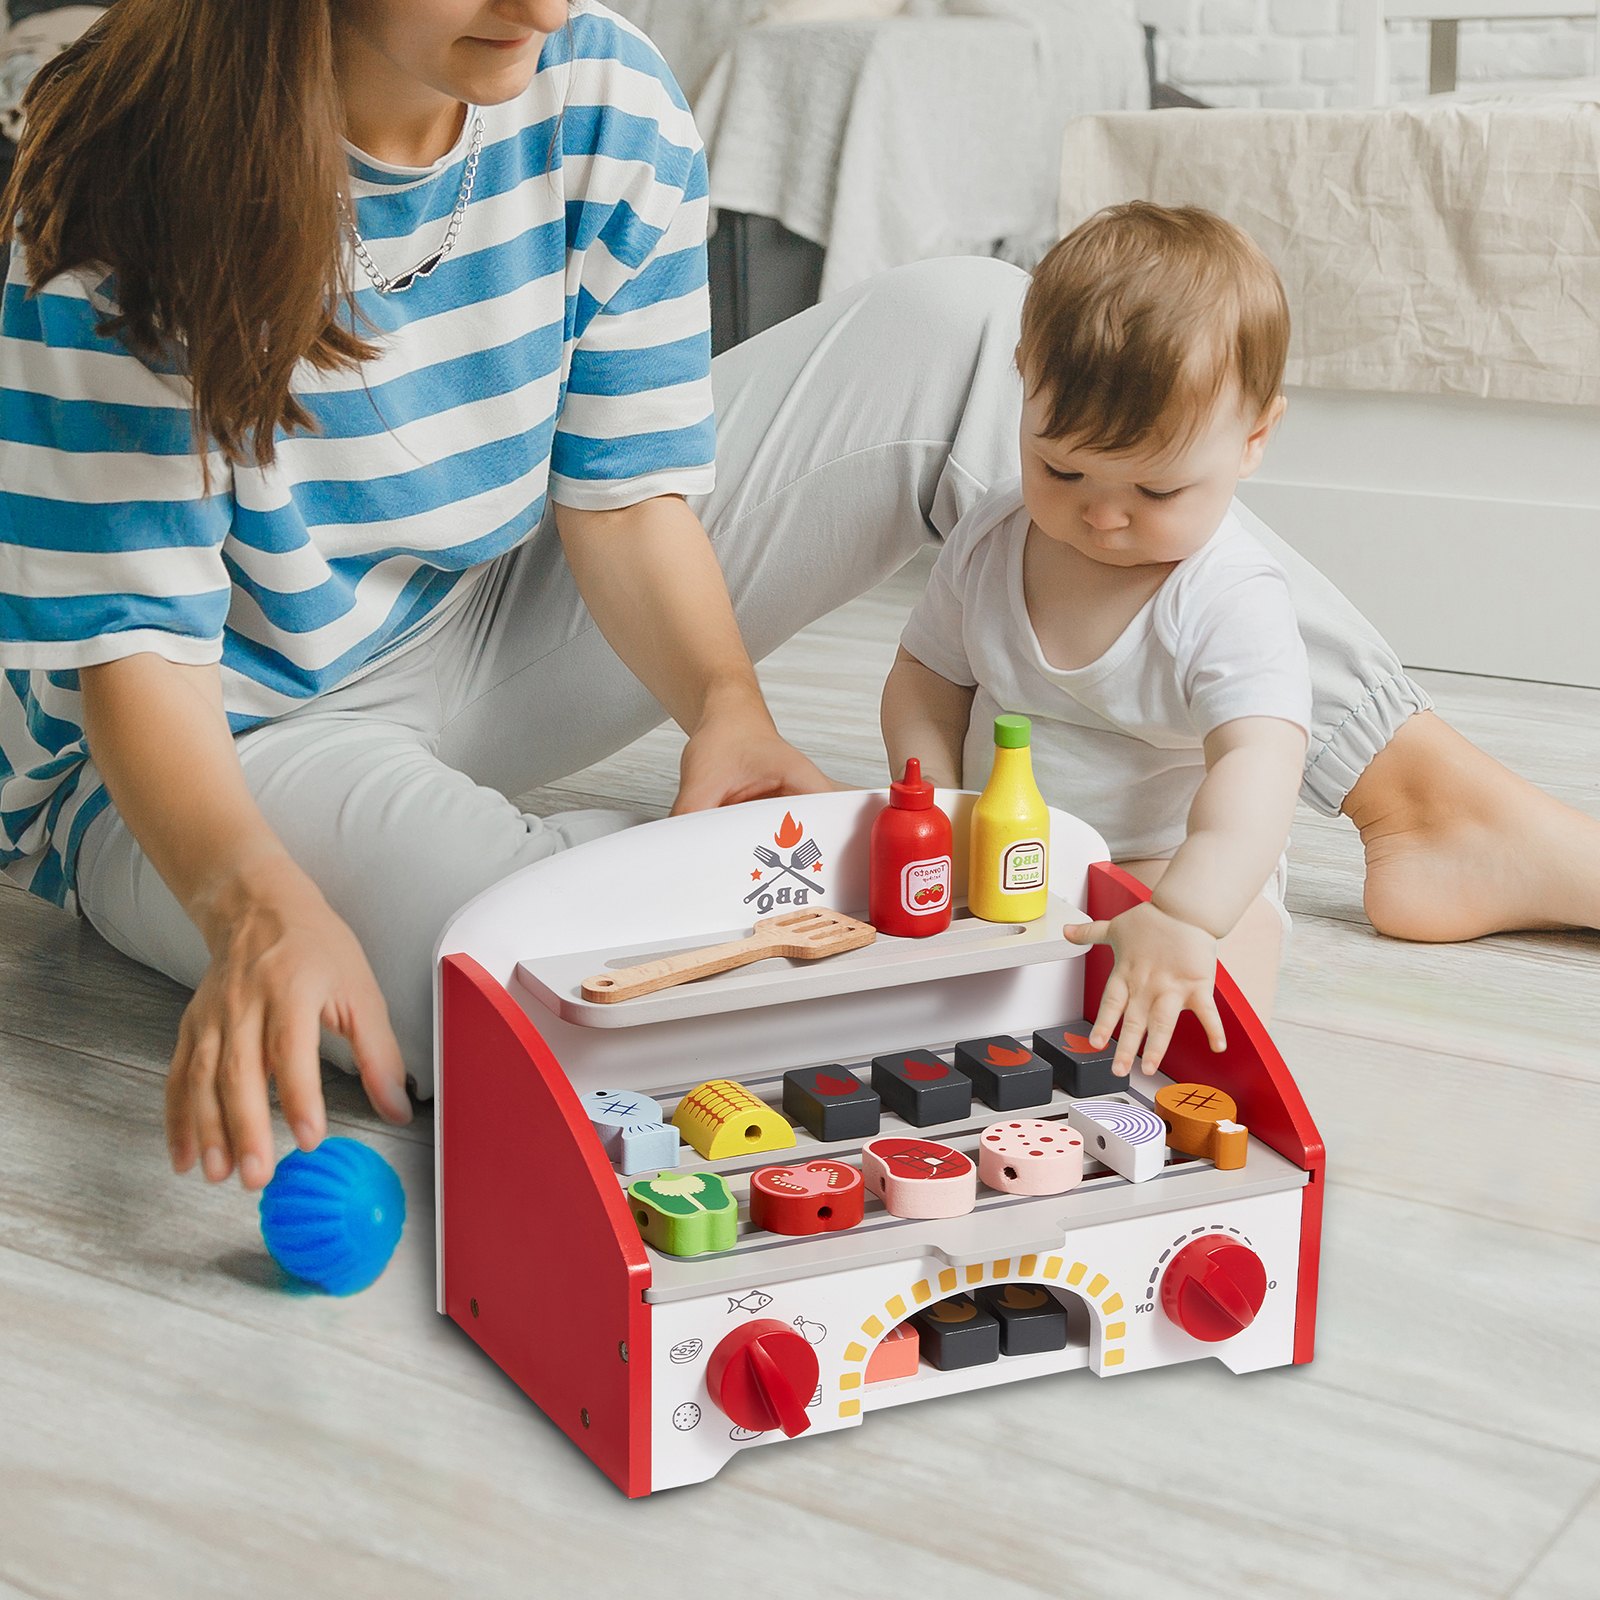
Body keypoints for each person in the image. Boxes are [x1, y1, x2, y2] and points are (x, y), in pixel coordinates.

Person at [1, 1, 1594, 1194]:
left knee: (977, 329)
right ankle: (478, 884)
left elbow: (623, 490)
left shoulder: (600, 93)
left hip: (475, 612)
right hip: (209, 737)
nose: (542, 0)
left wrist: (729, 710)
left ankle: (1432, 799)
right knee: (532, 995)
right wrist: (257, 908)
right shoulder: (125, 187)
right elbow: (133, 653)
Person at [885, 203, 1311, 1076]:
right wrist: (938, 805)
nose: (1104, 514)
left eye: (1156, 491)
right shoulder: (991, 540)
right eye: (1062, 469)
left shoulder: (1229, 595)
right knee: (901, 985)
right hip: (1002, 858)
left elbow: (1259, 772)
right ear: (1023, 390)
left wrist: (1188, 913)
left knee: (1207, 1012)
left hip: (1170, 866)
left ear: (1254, 439)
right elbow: (924, 685)